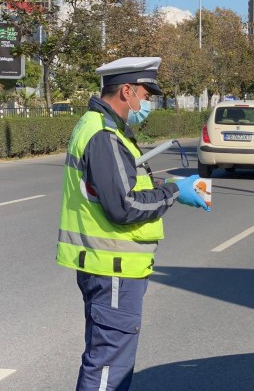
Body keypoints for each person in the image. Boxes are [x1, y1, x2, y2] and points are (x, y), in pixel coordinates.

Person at [56, 57, 209, 391]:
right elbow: (124, 206)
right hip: (113, 267)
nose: (148, 102)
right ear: (126, 91)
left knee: (107, 358)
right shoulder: (104, 136)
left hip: (110, 264)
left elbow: (119, 191)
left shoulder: (100, 127)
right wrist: (173, 192)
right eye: (146, 93)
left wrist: (163, 190)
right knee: (109, 365)